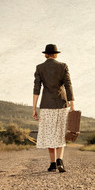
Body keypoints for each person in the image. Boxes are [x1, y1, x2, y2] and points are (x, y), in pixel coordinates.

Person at [32, 44, 74, 172]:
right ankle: (59, 160)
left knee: (50, 134)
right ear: (56, 54)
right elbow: (68, 86)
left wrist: (34, 108)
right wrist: (72, 105)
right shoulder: (63, 66)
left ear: (46, 54)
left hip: (46, 105)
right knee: (60, 133)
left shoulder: (40, 68)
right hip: (61, 104)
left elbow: (36, 89)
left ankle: (52, 164)